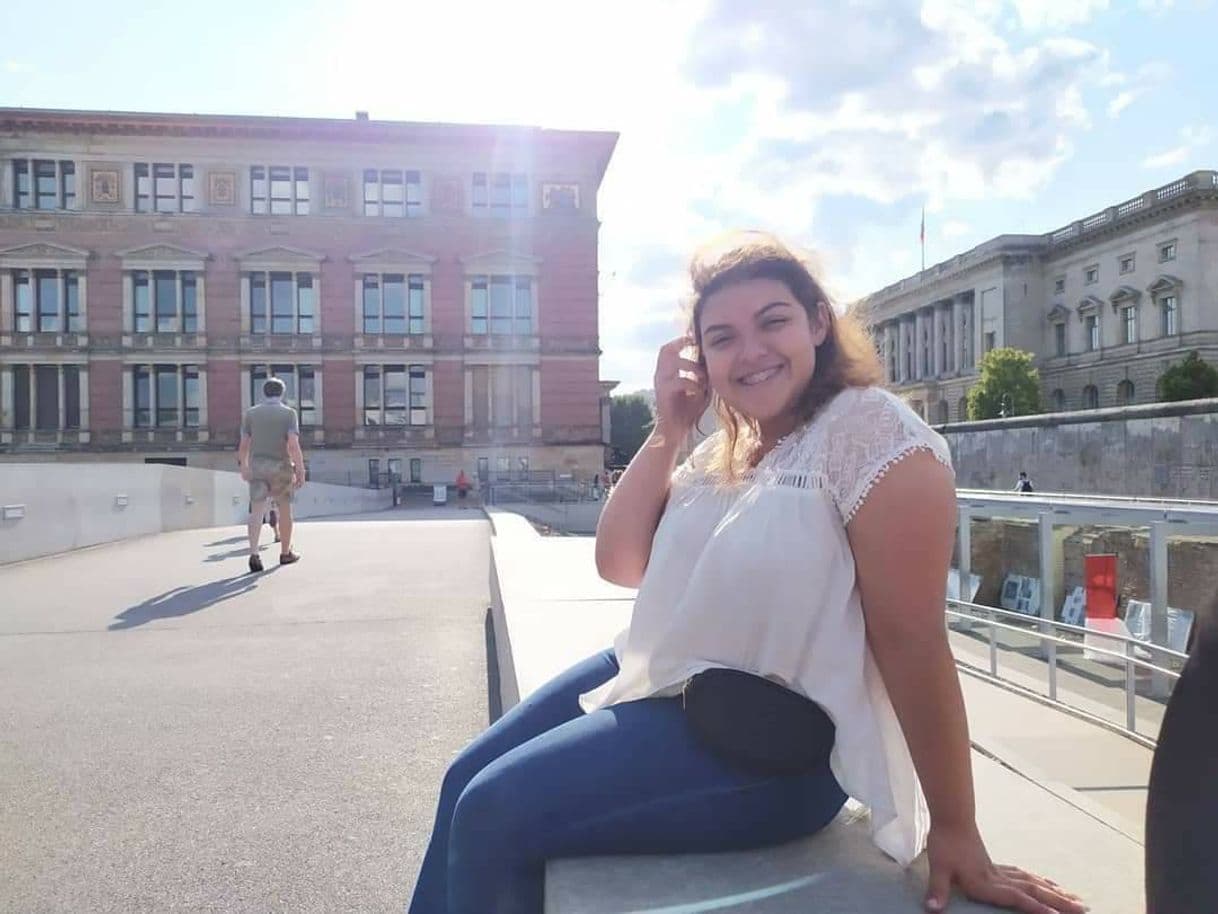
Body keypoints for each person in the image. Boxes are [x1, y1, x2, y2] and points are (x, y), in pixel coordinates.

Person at [407, 233, 1085, 914]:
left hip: (769, 745)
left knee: (493, 812)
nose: (751, 351)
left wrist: (958, 828)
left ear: (819, 322)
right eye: (722, 338)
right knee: (463, 777)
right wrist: (667, 427)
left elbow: (913, 642)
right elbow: (620, 563)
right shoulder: (724, 449)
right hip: (667, 685)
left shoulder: (873, 436)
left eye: (774, 322)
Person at [237, 377, 305, 573]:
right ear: (281, 393)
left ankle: (254, 553)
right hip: (281, 466)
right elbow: (293, 444)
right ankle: (285, 552)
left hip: (258, 467)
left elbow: (244, 445)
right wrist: (299, 468)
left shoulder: (250, 414)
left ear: (264, 393)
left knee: (257, 511)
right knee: (284, 510)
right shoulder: (289, 414)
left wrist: (244, 466)